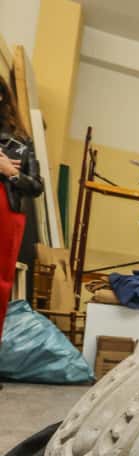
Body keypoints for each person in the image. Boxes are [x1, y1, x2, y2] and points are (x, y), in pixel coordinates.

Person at [0, 75, 43, 343]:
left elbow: (36, 186)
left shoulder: (20, 143)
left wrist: (8, 172)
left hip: (6, 214)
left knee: (1, 285)